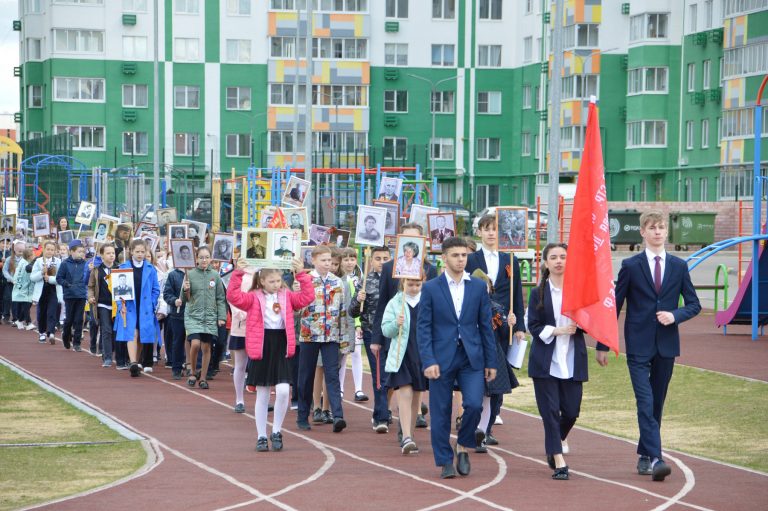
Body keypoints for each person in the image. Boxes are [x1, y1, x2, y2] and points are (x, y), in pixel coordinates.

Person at [596, 210, 701, 482]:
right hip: (639, 345)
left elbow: (693, 304)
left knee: (656, 403)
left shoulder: (679, 267)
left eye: (661, 227)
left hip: (666, 345)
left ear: (667, 231)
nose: (657, 231)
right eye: (652, 227)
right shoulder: (631, 265)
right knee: (644, 401)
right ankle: (657, 459)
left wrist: (674, 315)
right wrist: (603, 344)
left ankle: (644, 453)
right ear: (643, 232)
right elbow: (615, 305)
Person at [417, 236, 496, 479]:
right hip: (441, 358)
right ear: (444, 258)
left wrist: (491, 361)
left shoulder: (478, 287)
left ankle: (463, 445)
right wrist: (428, 360)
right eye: (455, 255)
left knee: (473, 404)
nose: (461, 260)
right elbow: (423, 327)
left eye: (464, 255)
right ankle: (444, 460)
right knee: (441, 411)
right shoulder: (430, 288)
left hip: (471, 357)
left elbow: (485, 326)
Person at [228, 257, 314, 451]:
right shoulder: (254, 297)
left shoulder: (287, 295)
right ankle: (261, 435)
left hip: (282, 345)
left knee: (283, 390)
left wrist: (301, 275)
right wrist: (237, 273)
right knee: (263, 393)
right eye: (272, 281)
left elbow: (307, 298)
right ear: (262, 281)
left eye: (279, 281)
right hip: (262, 345)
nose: (276, 285)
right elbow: (234, 297)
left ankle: (276, 430)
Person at [526, 243, 588, 480]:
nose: (559, 261)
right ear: (545, 263)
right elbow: (533, 325)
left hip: (573, 361)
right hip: (546, 361)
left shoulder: (579, 291)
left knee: (571, 411)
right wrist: (557, 330)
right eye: (554, 257)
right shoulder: (537, 293)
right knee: (550, 412)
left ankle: (556, 440)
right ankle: (558, 459)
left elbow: (590, 322)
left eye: (563, 257)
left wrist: (579, 326)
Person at [466, 214, 526, 449]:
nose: (491, 233)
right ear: (479, 232)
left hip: (503, 327)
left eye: (495, 229)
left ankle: (488, 427)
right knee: (479, 376)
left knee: (499, 376)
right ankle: (473, 421)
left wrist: (519, 324)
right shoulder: (471, 259)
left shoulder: (510, 258)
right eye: (487, 229)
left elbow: (517, 293)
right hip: (477, 326)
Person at [371, 223, 439, 430]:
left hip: (420, 333)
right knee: (391, 378)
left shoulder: (430, 268)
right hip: (395, 330)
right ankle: (382, 413)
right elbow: (382, 302)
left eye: (415, 239)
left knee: (415, 380)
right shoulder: (390, 266)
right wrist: (376, 338)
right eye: (406, 239)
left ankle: (411, 418)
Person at [296, 245, 348, 433]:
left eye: (329, 261)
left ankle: (338, 416)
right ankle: (303, 416)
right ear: (314, 260)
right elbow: (296, 307)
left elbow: (342, 311)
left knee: (332, 376)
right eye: (324, 260)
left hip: (331, 336)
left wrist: (343, 338)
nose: (328, 264)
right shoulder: (305, 280)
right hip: (309, 335)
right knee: (306, 376)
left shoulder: (337, 282)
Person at [382, 277, 428, 454]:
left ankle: (410, 434)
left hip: (421, 353)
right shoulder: (395, 302)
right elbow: (386, 329)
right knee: (405, 391)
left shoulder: (427, 300)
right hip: (402, 354)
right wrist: (396, 324)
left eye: (418, 285)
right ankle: (407, 436)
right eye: (410, 285)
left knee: (416, 394)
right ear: (403, 284)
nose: (414, 288)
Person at [349, 245, 392, 432]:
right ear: (371, 261)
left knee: (393, 376)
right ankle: (381, 417)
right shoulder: (364, 282)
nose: (382, 262)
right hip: (372, 333)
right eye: (378, 258)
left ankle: (383, 411)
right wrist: (359, 299)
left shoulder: (398, 280)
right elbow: (353, 312)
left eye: (385, 258)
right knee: (379, 375)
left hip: (395, 333)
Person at [182, 246, 227, 390]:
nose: (204, 260)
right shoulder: (190, 274)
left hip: (209, 316)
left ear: (210, 258)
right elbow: (185, 299)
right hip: (193, 315)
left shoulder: (215, 275)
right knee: (195, 344)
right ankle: (192, 372)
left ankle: (203, 378)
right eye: (201, 257)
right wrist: (185, 289)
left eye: (207, 257)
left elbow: (220, 298)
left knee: (207, 347)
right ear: (196, 259)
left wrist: (221, 317)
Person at [114, 239, 161, 377]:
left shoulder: (150, 269)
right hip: (129, 305)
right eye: (137, 251)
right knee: (132, 332)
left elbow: (156, 289)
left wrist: (152, 303)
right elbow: (117, 291)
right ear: (131, 252)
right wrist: (120, 305)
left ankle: (136, 360)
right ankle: (133, 362)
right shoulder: (123, 267)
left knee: (141, 334)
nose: (140, 254)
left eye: (142, 252)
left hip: (145, 306)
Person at [338, 248, 366, 403]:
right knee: (342, 355)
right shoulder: (339, 279)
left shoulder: (361, 278)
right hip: (342, 321)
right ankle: (340, 388)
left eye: (352, 259)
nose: (349, 262)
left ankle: (359, 389)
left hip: (356, 321)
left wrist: (358, 323)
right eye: (346, 259)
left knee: (356, 353)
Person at [87, 244, 119, 368]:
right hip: (102, 304)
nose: (111, 255)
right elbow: (91, 286)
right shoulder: (96, 270)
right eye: (108, 253)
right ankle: (107, 357)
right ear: (101, 255)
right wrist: (90, 297)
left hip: (117, 305)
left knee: (116, 331)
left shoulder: (119, 268)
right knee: (106, 330)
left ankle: (117, 354)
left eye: (113, 253)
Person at [29, 241, 63, 344]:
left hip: (53, 289)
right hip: (41, 290)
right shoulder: (38, 261)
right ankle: (42, 332)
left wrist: (51, 278)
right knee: (42, 312)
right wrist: (41, 273)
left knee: (52, 311)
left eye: (52, 250)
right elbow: (32, 277)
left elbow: (60, 278)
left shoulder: (58, 261)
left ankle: (51, 332)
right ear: (44, 249)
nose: (49, 251)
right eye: (48, 249)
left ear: (55, 251)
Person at [163, 263, 188, 380]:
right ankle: (177, 368)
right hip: (178, 314)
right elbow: (167, 293)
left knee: (194, 341)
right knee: (178, 341)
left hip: (194, 315)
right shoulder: (173, 275)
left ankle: (192, 367)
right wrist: (174, 301)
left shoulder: (196, 273)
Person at [12, 248, 36, 331]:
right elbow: (19, 275)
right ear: (29, 256)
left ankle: (20, 320)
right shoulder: (25, 264)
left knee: (26, 306)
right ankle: (28, 323)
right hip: (24, 288)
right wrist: (19, 285)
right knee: (26, 306)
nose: (35, 255)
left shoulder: (24, 262)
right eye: (33, 254)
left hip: (26, 288)